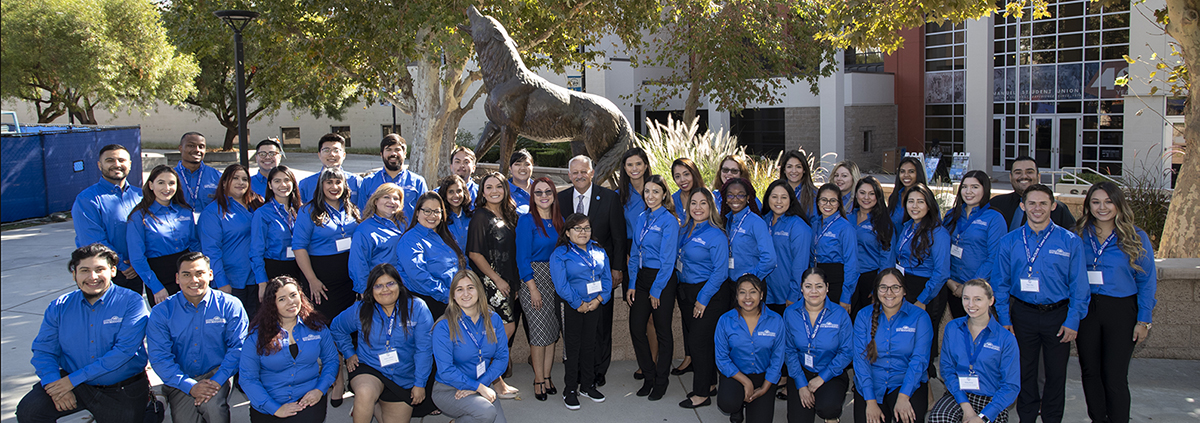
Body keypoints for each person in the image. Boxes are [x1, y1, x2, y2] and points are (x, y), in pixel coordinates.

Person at [983, 184, 1089, 423]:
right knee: (1024, 372)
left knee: (1055, 374)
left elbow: (1079, 286)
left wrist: (1073, 320)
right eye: (1032, 203)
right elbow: (1000, 284)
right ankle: (1027, 418)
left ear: (1053, 206)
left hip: (1058, 316)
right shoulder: (1009, 241)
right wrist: (1005, 319)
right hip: (1022, 314)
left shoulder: (1070, 241)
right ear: (1023, 206)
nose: (1037, 208)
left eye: (1043, 203)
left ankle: (1052, 419)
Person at [17, 244, 151, 423]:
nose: (92, 277)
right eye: (85, 270)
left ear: (113, 271)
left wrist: (71, 381)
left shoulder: (131, 302)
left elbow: (123, 351)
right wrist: (54, 386)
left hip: (120, 388)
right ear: (74, 274)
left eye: (99, 269)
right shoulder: (59, 306)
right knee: (29, 411)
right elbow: (44, 350)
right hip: (75, 383)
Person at [1074, 182, 1157, 423]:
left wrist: (1144, 320)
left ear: (1118, 204)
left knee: (1114, 375)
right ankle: (1098, 419)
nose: (1102, 207)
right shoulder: (1078, 234)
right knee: (1090, 372)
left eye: (1108, 202)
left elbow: (1147, 282)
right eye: (1096, 202)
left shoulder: (1135, 237)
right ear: (1088, 205)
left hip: (1121, 310)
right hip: (1087, 310)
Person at [146, 252, 249, 423]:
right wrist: (190, 386)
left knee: (214, 408)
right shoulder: (162, 312)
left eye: (199, 273)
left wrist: (217, 381)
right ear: (177, 278)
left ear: (210, 275)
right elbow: (159, 357)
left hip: (216, 373)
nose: (194, 280)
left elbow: (239, 348)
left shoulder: (230, 305)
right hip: (180, 376)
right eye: (187, 275)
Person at [331, 264, 436, 422]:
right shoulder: (361, 309)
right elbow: (336, 327)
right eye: (378, 286)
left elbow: (424, 350)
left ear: (400, 285)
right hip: (370, 367)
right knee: (365, 393)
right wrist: (349, 353)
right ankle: (365, 402)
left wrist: (419, 384)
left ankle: (369, 407)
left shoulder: (418, 308)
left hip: (403, 374)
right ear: (371, 290)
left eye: (390, 283)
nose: (385, 289)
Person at [556, 155, 626, 389]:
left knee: (601, 325)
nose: (579, 176)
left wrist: (617, 268)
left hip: (600, 274)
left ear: (593, 172)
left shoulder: (608, 198)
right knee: (574, 330)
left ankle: (598, 370)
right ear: (569, 175)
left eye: (583, 171)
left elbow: (617, 235)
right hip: (572, 277)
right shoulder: (561, 199)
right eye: (574, 172)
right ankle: (576, 370)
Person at [293, 168, 360, 406]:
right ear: (321, 186)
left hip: (349, 280)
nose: (334, 187)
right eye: (329, 182)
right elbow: (299, 248)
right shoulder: (309, 211)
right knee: (329, 328)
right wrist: (311, 279)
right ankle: (337, 378)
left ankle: (354, 375)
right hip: (322, 281)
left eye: (338, 182)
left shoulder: (351, 209)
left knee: (349, 326)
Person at [240, 276, 338, 422]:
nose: (291, 302)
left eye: (293, 295)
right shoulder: (256, 336)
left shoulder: (317, 327)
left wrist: (319, 390)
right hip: (269, 403)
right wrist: (276, 408)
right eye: (282, 299)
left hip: (307, 399)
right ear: (272, 304)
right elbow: (248, 378)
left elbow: (331, 360)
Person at [929, 279, 1020, 423]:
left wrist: (982, 417)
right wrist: (966, 407)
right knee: (938, 418)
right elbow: (947, 369)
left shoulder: (1006, 339)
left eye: (978, 299)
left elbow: (1011, 386)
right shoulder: (952, 328)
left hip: (992, 400)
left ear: (991, 301)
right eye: (966, 298)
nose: (971, 305)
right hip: (959, 394)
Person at [550, 213, 613, 410]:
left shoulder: (599, 251)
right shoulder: (560, 253)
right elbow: (561, 285)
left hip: (594, 304)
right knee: (572, 348)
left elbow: (608, 280)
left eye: (586, 228)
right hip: (570, 306)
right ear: (568, 232)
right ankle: (570, 389)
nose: (583, 232)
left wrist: (599, 300)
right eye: (577, 228)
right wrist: (578, 303)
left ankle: (587, 385)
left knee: (590, 345)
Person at [853, 269, 933, 423]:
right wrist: (870, 401)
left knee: (909, 419)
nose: (889, 292)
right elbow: (860, 361)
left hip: (906, 383)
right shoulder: (863, 316)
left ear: (904, 291)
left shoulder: (920, 317)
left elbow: (919, 360)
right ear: (876, 291)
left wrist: (904, 397)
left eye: (895, 287)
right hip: (872, 384)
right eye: (883, 287)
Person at [467, 172, 521, 398]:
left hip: (508, 282)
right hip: (491, 283)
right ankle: (493, 382)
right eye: (488, 187)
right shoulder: (481, 216)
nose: (494, 190)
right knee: (502, 330)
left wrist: (512, 282)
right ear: (482, 192)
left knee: (501, 331)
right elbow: (474, 254)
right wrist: (497, 280)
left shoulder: (509, 215)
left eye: (499, 186)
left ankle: (487, 379)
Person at [625, 175, 679, 401]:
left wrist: (657, 289)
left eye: (655, 191)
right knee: (636, 328)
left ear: (664, 194)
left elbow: (668, 260)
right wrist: (631, 283)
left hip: (663, 280)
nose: (650, 196)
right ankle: (648, 375)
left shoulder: (669, 220)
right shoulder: (641, 218)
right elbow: (635, 253)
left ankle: (661, 380)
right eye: (647, 191)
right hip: (642, 278)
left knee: (663, 331)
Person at [432, 271, 511, 422]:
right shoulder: (443, 327)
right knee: (486, 412)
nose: (465, 293)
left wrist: (481, 384)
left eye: (470, 287)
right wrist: (477, 387)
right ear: (453, 295)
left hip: (483, 382)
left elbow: (502, 358)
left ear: (479, 291)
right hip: (449, 389)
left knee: (479, 418)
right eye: (459, 289)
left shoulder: (494, 320)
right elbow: (446, 370)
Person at [675, 189, 730, 410]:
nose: (697, 207)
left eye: (703, 203)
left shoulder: (716, 234)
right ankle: (709, 384)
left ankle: (700, 394)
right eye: (694, 203)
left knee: (698, 343)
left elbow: (720, 272)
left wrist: (702, 299)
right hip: (686, 291)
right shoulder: (685, 229)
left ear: (711, 207)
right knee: (700, 341)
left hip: (709, 293)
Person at [72, 144, 144, 299]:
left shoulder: (141, 196)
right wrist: (122, 265)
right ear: (100, 165)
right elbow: (92, 240)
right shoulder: (87, 199)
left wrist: (138, 263)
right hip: (101, 273)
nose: (116, 164)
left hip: (137, 271)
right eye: (110, 160)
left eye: (121, 160)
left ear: (130, 164)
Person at [514, 177, 563, 401]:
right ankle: (538, 379)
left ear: (554, 195)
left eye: (548, 192)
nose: (544, 196)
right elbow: (522, 259)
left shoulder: (559, 220)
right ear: (532, 197)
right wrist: (532, 288)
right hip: (533, 280)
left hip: (555, 281)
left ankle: (548, 375)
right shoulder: (526, 221)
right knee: (538, 332)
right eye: (538, 192)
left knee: (552, 333)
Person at [784, 268, 853, 423]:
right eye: (808, 286)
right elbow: (789, 350)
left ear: (827, 287)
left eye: (819, 286)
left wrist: (822, 378)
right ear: (801, 288)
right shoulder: (790, 313)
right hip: (801, 371)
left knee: (828, 407)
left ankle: (830, 415)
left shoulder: (840, 314)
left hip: (830, 372)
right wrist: (801, 385)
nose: (813, 291)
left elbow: (847, 352)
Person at [714, 274, 784, 423]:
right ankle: (737, 408)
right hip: (736, 374)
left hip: (764, 377)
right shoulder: (725, 320)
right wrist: (746, 382)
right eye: (742, 292)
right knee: (728, 403)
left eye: (753, 291)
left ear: (761, 295)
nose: (747, 297)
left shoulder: (776, 320)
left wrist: (765, 387)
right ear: (736, 295)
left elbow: (777, 358)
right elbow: (721, 358)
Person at [126, 165, 200, 306]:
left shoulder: (185, 211)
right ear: (151, 185)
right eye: (161, 182)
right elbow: (137, 258)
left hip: (186, 271)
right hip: (159, 276)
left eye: (171, 183)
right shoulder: (138, 217)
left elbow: (194, 243)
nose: (167, 188)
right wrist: (156, 287)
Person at [940, 171, 1006, 322]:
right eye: (964, 187)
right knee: (960, 329)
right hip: (953, 286)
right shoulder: (952, 215)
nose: (968, 191)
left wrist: (969, 286)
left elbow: (994, 257)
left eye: (975, 187)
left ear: (985, 189)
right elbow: (942, 250)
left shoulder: (994, 218)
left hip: (979, 289)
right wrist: (949, 281)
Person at [201, 164, 265, 318]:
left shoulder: (256, 206)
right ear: (224, 182)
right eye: (235, 178)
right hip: (231, 280)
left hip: (257, 278)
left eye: (244, 179)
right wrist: (222, 282)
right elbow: (211, 252)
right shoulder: (213, 212)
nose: (240, 182)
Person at [397, 192, 465, 319]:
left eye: (437, 211)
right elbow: (418, 276)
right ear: (417, 213)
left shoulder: (446, 236)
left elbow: (462, 264)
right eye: (427, 211)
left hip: (455, 299)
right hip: (429, 303)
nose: (432, 215)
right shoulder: (410, 239)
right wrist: (448, 295)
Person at [249, 166, 304, 296]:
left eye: (287, 180)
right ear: (270, 185)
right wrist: (262, 283)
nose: (283, 185)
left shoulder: (301, 211)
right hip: (274, 269)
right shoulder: (262, 213)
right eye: (277, 181)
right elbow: (256, 251)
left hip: (300, 267)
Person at [849, 177, 898, 320]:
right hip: (848, 277)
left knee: (868, 322)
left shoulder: (884, 223)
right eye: (862, 192)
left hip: (870, 278)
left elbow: (887, 259)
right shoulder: (846, 217)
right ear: (856, 194)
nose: (866, 197)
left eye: (871, 193)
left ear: (878, 196)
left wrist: (879, 287)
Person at [761, 179, 812, 311]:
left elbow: (800, 264)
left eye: (784, 197)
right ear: (767, 198)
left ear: (791, 200)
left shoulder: (798, 226)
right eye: (774, 197)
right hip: (765, 293)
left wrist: (794, 295)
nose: (779, 201)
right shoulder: (763, 221)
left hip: (787, 296)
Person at [895, 183, 950, 307]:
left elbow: (941, 272)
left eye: (920, 202)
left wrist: (923, 299)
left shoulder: (938, 233)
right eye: (911, 201)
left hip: (927, 290)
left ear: (929, 205)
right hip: (905, 285)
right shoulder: (908, 226)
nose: (914, 206)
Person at [988, 156, 1075, 232]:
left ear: (1038, 176)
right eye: (1018, 172)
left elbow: (1072, 240)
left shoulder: (1058, 209)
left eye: (1029, 172)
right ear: (1010, 177)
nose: (1024, 176)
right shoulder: (996, 204)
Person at [350, 183, 406, 294]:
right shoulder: (364, 230)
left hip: (403, 286)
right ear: (375, 201)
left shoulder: (404, 224)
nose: (392, 201)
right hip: (381, 289)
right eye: (386, 197)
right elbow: (358, 264)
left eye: (396, 198)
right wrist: (364, 291)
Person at [810, 183, 859, 310]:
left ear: (839, 203)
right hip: (817, 278)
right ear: (818, 202)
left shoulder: (845, 228)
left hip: (837, 281)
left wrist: (846, 296)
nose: (828, 205)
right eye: (824, 200)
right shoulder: (815, 224)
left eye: (833, 201)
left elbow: (851, 264)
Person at [721, 177, 776, 285]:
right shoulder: (727, 221)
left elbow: (770, 259)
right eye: (730, 195)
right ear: (726, 199)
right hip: (731, 283)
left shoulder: (756, 222)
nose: (735, 199)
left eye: (741, 195)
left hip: (751, 286)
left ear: (748, 198)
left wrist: (751, 279)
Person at [360, 134, 426, 219]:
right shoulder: (368, 182)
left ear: (405, 154)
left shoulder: (418, 182)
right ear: (381, 154)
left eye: (397, 150)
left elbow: (425, 213)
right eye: (388, 150)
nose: (393, 153)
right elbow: (362, 213)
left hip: (407, 231)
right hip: (376, 231)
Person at [297, 133, 364, 206]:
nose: (332, 154)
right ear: (319, 155)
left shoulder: (356, 182)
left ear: (344, 155)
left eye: (336, 150)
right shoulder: (305, 184)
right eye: (326, 150)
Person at [175, 132, 222, 213]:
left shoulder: (217, 176)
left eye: (201, 146)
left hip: (209, 224)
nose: (197, 150)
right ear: (180, 148)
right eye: (191, 146)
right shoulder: (169, 176)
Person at [778, 150, 818, 223]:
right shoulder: (776, 191)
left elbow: (815, 222)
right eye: (789, 167)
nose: (794, 171)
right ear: (784, 170)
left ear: (804, 170)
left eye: (798, 167)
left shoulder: (813, 194)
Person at [887, 157, 927, 229]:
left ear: (918, 173)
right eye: (902, 171)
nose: (906, 175)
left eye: (911, 171)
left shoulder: (926, 198)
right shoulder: (894, 197)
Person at [438, 175, 473, 252]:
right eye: (451, 192)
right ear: (445, 194)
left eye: (459, 191)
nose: (456, 195)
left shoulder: (471, 216)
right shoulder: (440, 219)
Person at [507, 149, 534, 214]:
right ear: (510, 168)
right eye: (518, 164)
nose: (522, 168)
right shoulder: (503, 191)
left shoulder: (541, 189)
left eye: (527, 164)